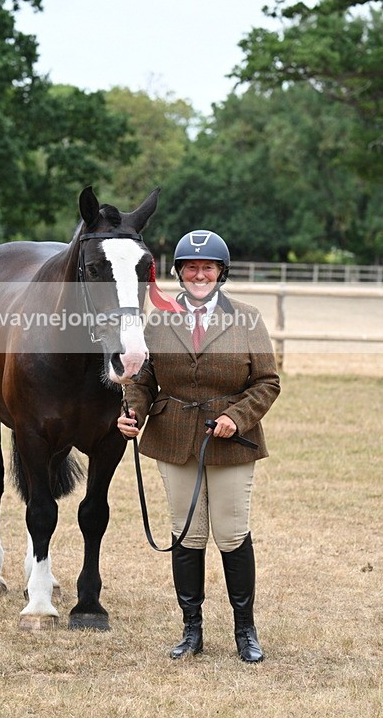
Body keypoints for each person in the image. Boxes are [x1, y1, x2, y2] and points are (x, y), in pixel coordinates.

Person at [118, 229, 280, 663]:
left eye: (208, 267)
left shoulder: (247, 318)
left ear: (220, 272)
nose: (199, 274)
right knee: (187, 534)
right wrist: (132, 412)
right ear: (180, 272)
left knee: (230, 534)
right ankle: (192, 631)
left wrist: (236, 416)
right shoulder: (159, 319)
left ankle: (245, 631)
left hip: (229, 440)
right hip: (173, 439)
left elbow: (267, 382)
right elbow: (142, 381)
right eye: (191, 267)